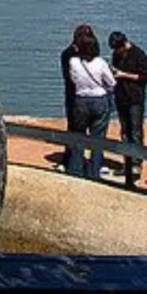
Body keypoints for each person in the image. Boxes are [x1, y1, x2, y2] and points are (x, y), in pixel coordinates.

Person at [67, 32, 116, 179]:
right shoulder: (101, 63)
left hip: (81, 100)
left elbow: (73, 79)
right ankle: (94, 172)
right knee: (98, 139)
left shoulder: (73, 62)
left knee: (78, 137)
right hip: (99, 99)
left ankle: (75, 170)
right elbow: (112, 82)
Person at [108, 31, 147, 179]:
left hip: (135, 98)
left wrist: (124, 75)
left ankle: (136, 164)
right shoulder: (116, 55)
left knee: (135, 132)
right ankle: (127, 163)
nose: (117, 52)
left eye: (118, 49)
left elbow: (145, 77)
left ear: (124, 44)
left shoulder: (139, 54)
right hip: (121, 97)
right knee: (125, 132)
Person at [60, 24, 94, 171]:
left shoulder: (69, 53)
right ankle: (73, 160)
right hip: (75, 95)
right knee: (76, 128)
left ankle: (73, 160)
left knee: (75, 128)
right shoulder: (72, 54)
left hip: (75, 95)